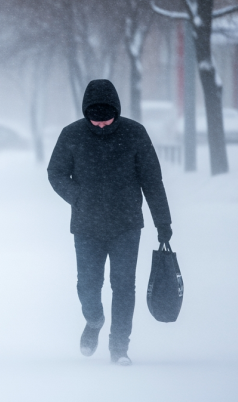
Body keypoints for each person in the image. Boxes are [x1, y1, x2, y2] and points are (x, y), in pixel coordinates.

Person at [47, 79, 172, 366]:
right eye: (95, 121)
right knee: (88, 285)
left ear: (116, 111)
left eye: (107, 120)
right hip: (86, 226)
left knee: (124, 286)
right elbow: (55, 172)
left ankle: (119, 347)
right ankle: (94, 320)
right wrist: (76, 196)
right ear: (86, 114)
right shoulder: (72, 135)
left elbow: (152, 181)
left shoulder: (135, 134)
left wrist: (163, 223)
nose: (101, 126)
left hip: (126, 225)